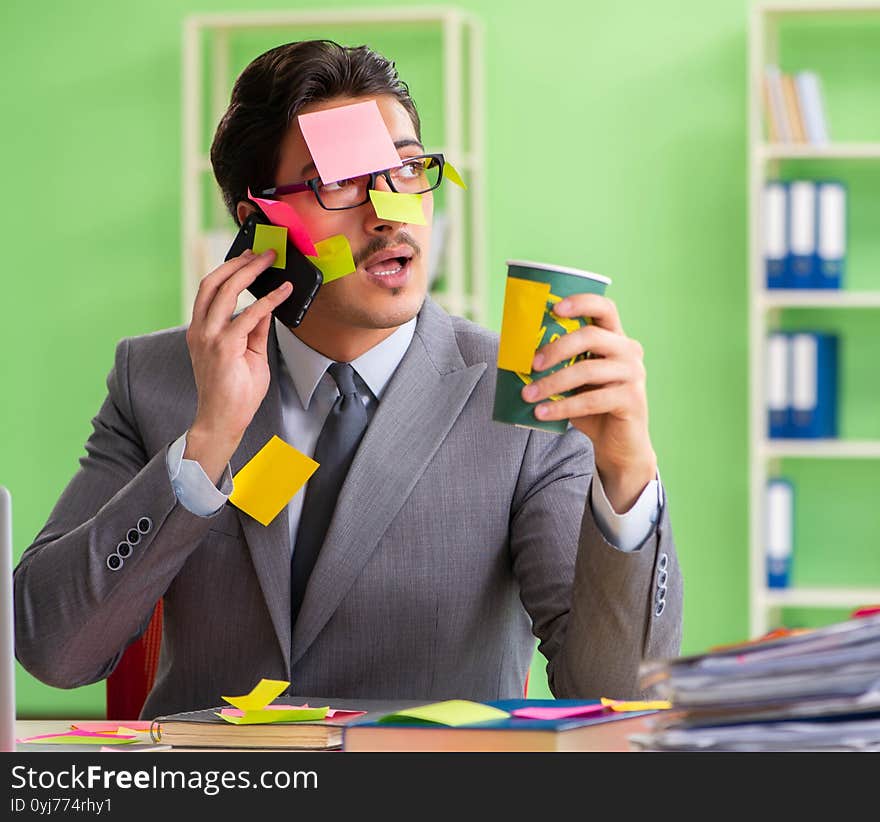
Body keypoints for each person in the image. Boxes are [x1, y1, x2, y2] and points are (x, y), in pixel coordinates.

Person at [14, 40, 681, 719]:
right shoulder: (156, 380)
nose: (387, 214)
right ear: (257, 225)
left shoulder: (521, 389)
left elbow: (615, 698)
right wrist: (206, 442)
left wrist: (626, 475)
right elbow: (55, 652)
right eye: (338, 181)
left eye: (405, 169)